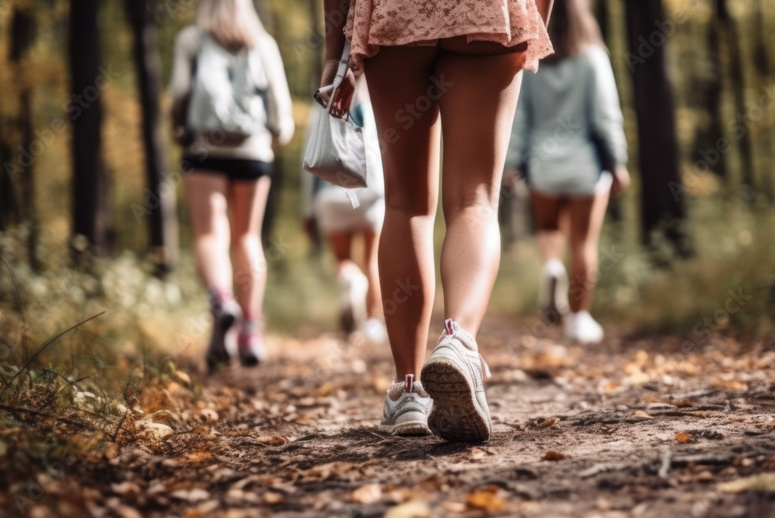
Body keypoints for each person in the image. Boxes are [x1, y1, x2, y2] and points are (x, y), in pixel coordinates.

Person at [321, 0, 553, 441]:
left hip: (395, 16)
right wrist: (535, 16)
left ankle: (407, 388)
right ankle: (459, 339)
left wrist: (335, 56)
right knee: (475, 201)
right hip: (489, 13)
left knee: (407, 204)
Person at [170, 0, 294, 369]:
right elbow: (279, 106)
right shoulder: (263, 41)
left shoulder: (191, 39)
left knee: (210, 235)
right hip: (252, 148)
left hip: (204, 147)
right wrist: (278, 134)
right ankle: (250, 331)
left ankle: (223, 302)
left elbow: (179, 92)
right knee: (248, 237)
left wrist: (178, 126)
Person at [504, 0, 630, 345]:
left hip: (543, 164)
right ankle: (579, 319)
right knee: (583, 243)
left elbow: (520, 116)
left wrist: (514, 162)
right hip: (584, 166)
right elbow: (606, 116)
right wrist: (617, 162)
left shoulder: (533, 58)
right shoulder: (593, 57)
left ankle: (550, 268)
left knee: (548, 229)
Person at [301, 76, 388, 345]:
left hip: (330, 194)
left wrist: (308, 208)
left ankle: (352, 281)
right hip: (369, 191)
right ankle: (373, 322)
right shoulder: (374, 103)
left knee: (343, 260)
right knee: (372, 259)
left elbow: (309, 158)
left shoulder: (321, 105)